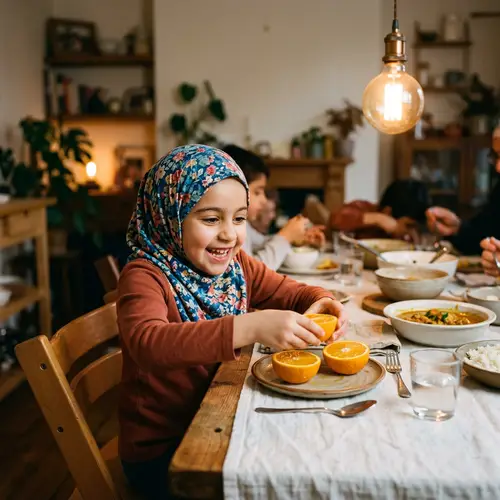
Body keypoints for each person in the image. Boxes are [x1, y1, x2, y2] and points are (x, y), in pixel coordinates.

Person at [117, 144, 346, 498]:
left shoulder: (237, 266)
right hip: (167, 452)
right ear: (169, 216)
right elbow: (148, 344)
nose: (229, 234)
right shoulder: (144, 275)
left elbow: (291, 291)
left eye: (239, 218)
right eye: (211, 219)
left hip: (221, 412)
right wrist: (252, 327)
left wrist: (322, 300)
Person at [222, 144, 325, 270]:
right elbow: (252, 274)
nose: (264, 200)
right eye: (257, 192)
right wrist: (286, 237)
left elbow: (262, 242)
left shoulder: (244, 225)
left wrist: (296, 237)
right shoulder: (228, 231)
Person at [330, 179, 431, 240]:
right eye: (408, 226)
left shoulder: (407, 236)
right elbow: (334, 220)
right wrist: (378, 219)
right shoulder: (363, 207)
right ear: (388, 211)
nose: (410, 231)